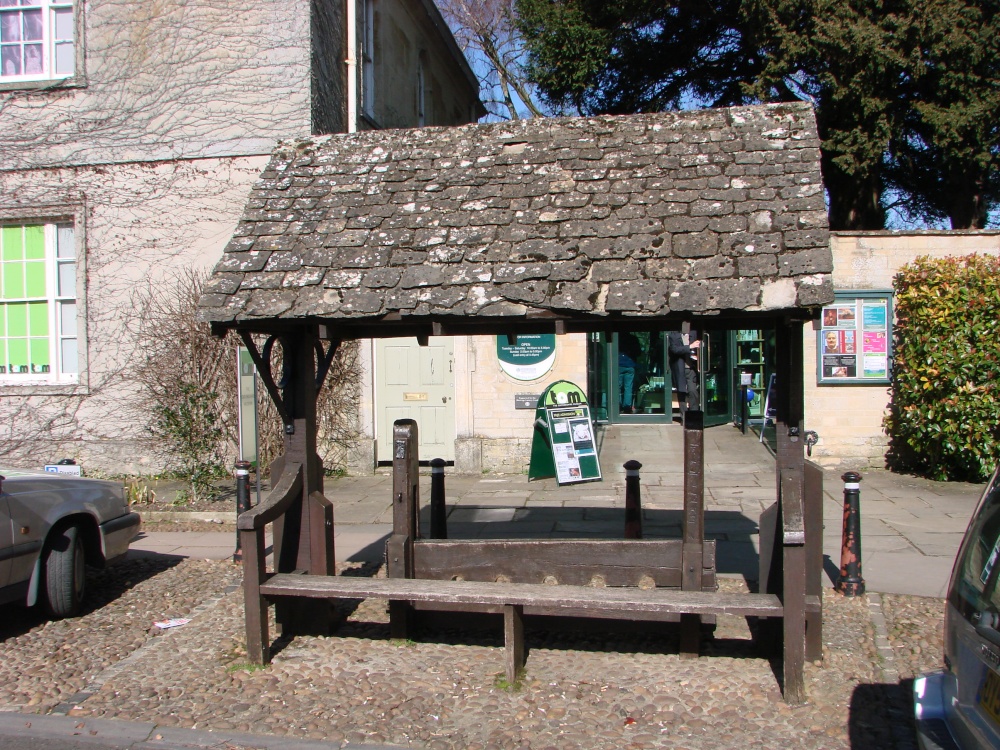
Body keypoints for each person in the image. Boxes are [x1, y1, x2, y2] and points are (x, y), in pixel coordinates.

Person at [668, 329, 701, 414]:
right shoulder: (673, 335)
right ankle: (684, 416)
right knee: (682, 392)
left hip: (691, 368)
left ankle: (693, 415)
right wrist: (690, 347)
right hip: (680, 369)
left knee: (693, 391)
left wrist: (697, 355)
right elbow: (675, 349)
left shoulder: (694, 333)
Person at [618, 332, 641, 413]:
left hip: (619, 364)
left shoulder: (618, 337)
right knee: (628, 387)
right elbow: (638, 352)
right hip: (630, 365)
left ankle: (618, 406)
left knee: (618, 387)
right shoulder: (633, 339)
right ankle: (627, 406)